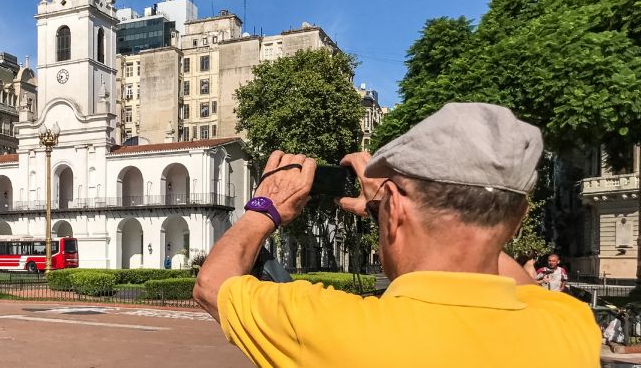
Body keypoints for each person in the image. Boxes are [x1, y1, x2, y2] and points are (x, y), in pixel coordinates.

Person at [193, 103, 600, 367]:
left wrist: (265, 206)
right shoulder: (568, 325)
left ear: (399, 206)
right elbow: (503, 262)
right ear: (518, 219)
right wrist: (385, 206)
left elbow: (213, 285)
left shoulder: (337, 329)